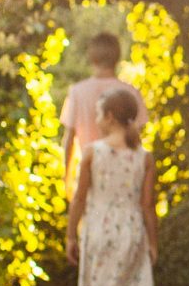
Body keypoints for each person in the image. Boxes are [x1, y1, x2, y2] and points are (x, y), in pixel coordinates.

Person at [67, 83, 158, 286]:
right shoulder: (144, 156)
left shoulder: (92, 152)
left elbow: (79, 198)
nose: (95, 118)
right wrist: (153, 242)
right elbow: (148, 206)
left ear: (108, 116)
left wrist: (70, 235)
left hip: (99, 230)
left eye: (97, 113)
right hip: (131, 228)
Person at [59, 30, 145, 183]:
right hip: (124, 175)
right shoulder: (131, 92)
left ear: (92, 57)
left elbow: (69, 139)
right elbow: (137, 136)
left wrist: (66, 176)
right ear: (117, 57)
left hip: (89, 173)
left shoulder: (77, 92)